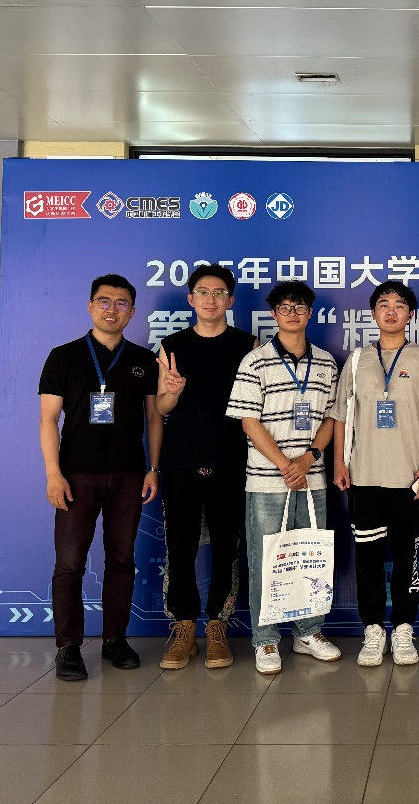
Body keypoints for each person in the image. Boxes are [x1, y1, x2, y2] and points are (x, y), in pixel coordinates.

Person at [39, 274, 161, 681]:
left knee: (122, 560)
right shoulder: (64, 356)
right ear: (90, 306)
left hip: (128, 475)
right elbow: (48, 420)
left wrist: (153, 468)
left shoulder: (143, 360)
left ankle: (115, 640)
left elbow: (154, 418)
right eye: (104, 301)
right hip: (76, 476)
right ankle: (68, 647)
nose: (112, 309)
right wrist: (53, 474)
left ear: (132, 311)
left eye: (121, 303)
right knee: (70, 563)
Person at [332, 280, 419, 667]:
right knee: (367, 560)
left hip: (410, 479)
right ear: (372, 314)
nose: (391, 310)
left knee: (406, 560)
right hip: (364, 476)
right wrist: (339, 462)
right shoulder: (357, 361)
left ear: (410, 314)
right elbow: (341, 416)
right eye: (383, 304)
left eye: (399, 305)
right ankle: (373, 630)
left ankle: (403, 628)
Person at [227, 280, 342, 674]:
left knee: (311, 557)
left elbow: (332, 418)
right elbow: (248, 421)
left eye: (300, 307)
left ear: (310, 313)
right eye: (285, 307)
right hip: (266, 480)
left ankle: (309, 632)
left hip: (312, 478)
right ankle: (265, 640)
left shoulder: (326, 363)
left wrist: (308, 458)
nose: (293, 314)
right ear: (274, 314)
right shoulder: (255, 361)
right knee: (267, 561)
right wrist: (284, 465)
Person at [154, 265, 255, 671]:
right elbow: (161, 407)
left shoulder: (247, 345)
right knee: (179, 546)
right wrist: (172, 392)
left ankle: (217, 625)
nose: (211, 299)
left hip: (230, 461)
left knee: (227, 547)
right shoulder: (172, 346)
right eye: (202, 292)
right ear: (190, 299)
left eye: (219, 292)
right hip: (181, 462)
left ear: (230, 300)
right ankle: (183, 628)